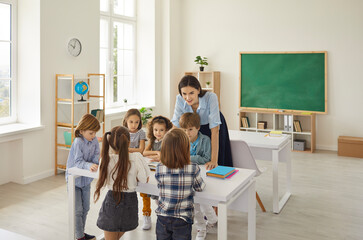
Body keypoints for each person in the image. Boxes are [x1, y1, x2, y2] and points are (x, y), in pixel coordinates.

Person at [94, 126, 151, 240]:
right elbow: (144, 180)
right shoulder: (136, 157)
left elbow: (103, 181)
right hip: (129, 200)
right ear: (128, 141)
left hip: (111, 198)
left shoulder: (105, 159)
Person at [171, 75, 233, 169]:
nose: (188, 97)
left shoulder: (211, 97)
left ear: (198, 90)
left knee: (217, 159)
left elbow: (215, 131)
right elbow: (175, 128)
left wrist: (213, 161)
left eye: (191, 93)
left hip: (211, 126)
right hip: (193, 127)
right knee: (198, 155)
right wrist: (167, 154)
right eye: (184, 93)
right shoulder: (179, 99)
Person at [155, 129, 205, 240]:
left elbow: (159, 185)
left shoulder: (159, 167)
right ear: (186, 148)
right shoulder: (193, 167)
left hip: (162, 216)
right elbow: (199, 188)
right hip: (183, 218)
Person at [179, 113, 218, 240]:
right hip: (186, 176)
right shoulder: (181, 141)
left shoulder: (205, 140)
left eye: (190, 129)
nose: (187, 133)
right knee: (194, 204)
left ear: (198, 128)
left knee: (203, 201)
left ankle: (212, 219)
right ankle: (201, 227)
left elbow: (206, 159)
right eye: (184, 130)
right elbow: (180, 158)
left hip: (202, 175)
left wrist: (188, 158)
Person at [65, 113, 101, 240]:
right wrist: (89, 165)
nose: (94, 136)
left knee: (86, 208)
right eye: (91, 133)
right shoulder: (78, 142)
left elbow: (96, 156)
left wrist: (95, 163)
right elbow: (78, 162)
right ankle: (80, 236)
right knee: (78, 210)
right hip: (74, 181)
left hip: (86, 180)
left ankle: (81, 233)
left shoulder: (95, 140)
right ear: (82, 131)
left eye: (95, 133)